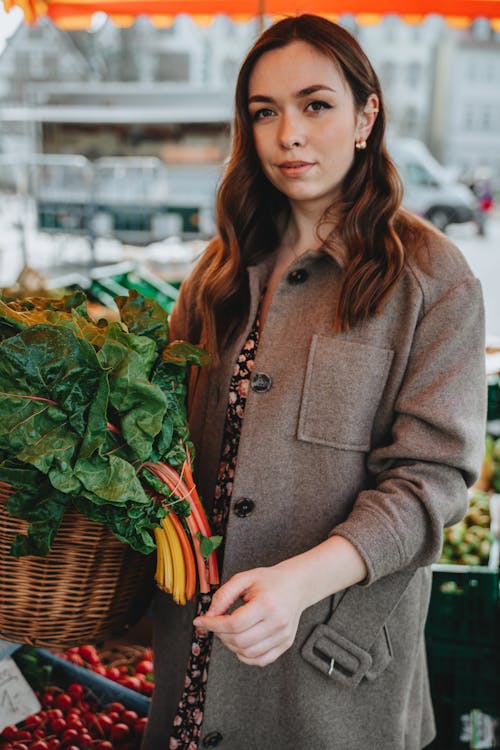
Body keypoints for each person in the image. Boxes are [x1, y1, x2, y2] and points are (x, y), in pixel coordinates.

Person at [142, 14, 486, 750]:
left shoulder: (431, 276)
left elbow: (432, 482)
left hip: (334, 661)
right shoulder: (218, 273)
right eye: (264, 112)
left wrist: (298, 583)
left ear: (367, 116)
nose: (288, 134)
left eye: (315, 105)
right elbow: (162, 445)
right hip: (203, 644)